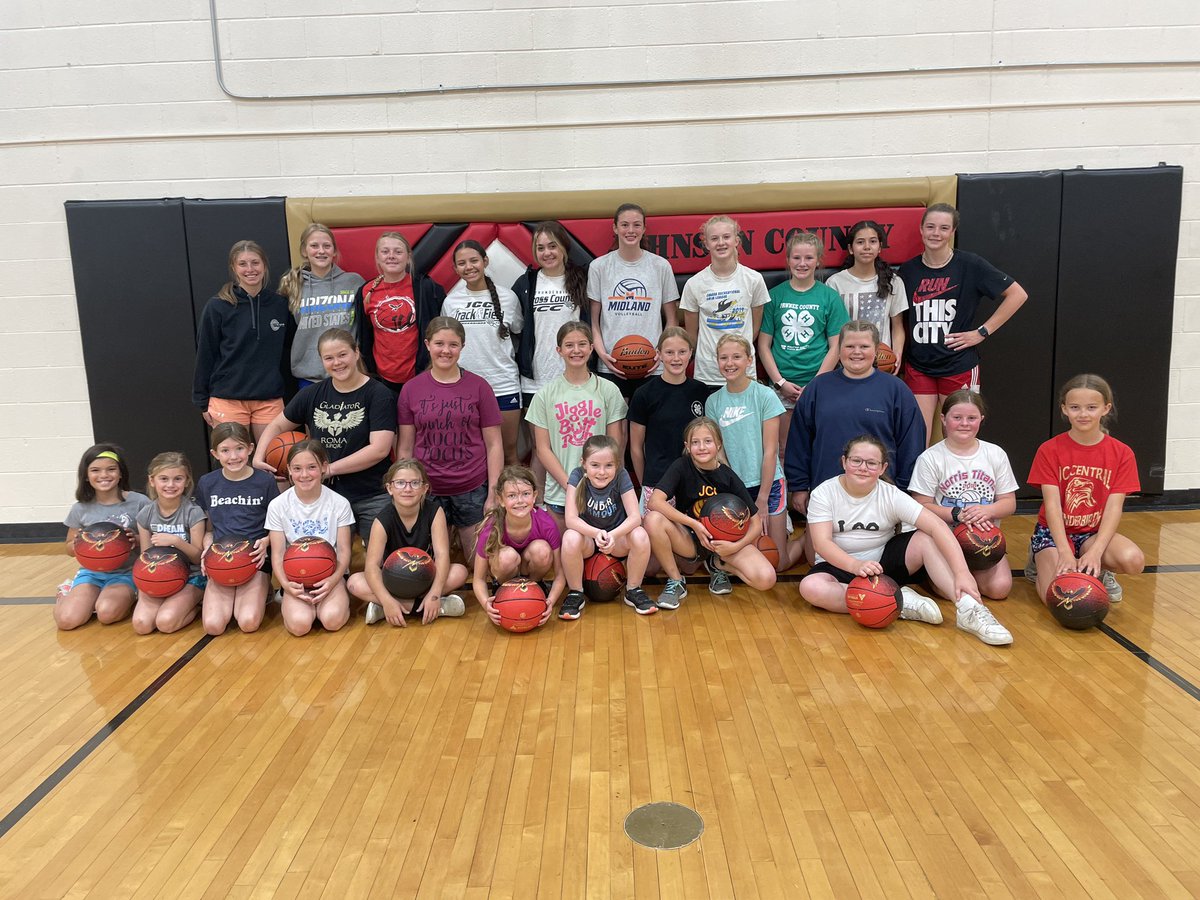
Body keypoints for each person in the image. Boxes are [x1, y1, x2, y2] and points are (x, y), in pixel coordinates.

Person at [799, 434, 1013, 645]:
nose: (863, 467)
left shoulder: (890, 494)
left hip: (883, 562)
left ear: (882, 468)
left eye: (872, 463)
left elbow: (937, 526)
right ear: (844, 462)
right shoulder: (824, 493)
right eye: (856, 460)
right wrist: (856, 565)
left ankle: (968, 608)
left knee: (925, 539)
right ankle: (897, 601)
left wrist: (962, 573)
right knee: (811, 588)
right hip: (840, 563)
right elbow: (822, 543)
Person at [899, 203, 1029, 442]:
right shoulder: (908, 271)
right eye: (930, 226)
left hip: (958, 364)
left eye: (943, 228)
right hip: (919, 366)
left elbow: (1018, 294)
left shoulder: (970, 265)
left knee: (959, 436)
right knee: (916, 437)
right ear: (921, 229)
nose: (936, 233)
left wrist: (982, 331)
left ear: (953, 232)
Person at [255, 328, 395, 546]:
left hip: (371, 494)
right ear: (321, 361)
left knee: (380, 562)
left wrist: (329, 469)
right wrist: (258, 456)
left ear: (356, 352)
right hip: (325, 497)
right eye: (329, 358)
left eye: (342, 355)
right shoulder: (312, 394)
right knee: (324, 562)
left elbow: (379, 449)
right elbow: (278, 424)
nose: (337, 363)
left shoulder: (378, 394)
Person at [785, 320, 925, 519]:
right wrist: (799, 486)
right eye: (849, 346)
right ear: (838, 350)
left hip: (881, 492)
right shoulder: (818, 387)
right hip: (826, 491)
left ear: (876, 350)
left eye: (864, 346)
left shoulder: (896, 390)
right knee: (822, 547)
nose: (856, 352)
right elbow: (799, 440)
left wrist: (902, 489)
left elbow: (912, 442)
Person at [1027, 374, 1144, 604]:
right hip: (1054, 533)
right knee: (1059, 597)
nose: (1083, 414)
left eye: (1091, 407)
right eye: (1075, 407)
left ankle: (1098, 568)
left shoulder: (1122, 453)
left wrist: (1096, 552)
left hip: (1092, 533)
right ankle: (1039, 561)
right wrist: (1063, 551)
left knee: (1134, 560)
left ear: (1106, 408)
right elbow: (1052, 505)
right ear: (1064, 409)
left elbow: (1113, 508)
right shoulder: (1049, 450)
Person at [396, 317, 504, 563]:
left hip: (471, 487)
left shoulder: (479, 387)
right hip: (428, 489)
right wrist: (407, 489)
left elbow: (494, 444)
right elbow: (405, 447)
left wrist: (493, 493)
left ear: (462, 346)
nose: (446, 350)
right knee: (432, 564)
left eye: (453, 344)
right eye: (439, 343)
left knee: (478, 564)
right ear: (427, 344)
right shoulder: (411, 389)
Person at [645, 417, 777, 607]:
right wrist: (694, 524)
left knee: (766, 579)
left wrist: (735, 546)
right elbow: (654, 501)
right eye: (695, 442)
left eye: (708, 441)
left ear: (718, 444)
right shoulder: (681, 466)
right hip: (691, 539)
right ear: (687, 446)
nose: (702, 447)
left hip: (725, 542)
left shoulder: (728, 476)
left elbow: (756, 523)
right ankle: (675, 580)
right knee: (653, 519)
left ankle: (717, 564)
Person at [705, 335, 804, 572]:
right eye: (724, 358)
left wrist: (761, 499)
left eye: (737, 357)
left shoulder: (764, 396)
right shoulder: (713, 401)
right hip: (735, 487)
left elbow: (771, 451)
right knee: (750, 551)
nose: (730, 363)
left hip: (768, 486)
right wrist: (733, 488)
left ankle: (806, 539)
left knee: (777, 563)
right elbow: (717, 453)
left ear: (749, 360)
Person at [909, 391, 1018, 600]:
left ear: (981, 420)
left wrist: (988, 510)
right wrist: (957, 513)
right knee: (954, 593)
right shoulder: (931, 458)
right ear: (943, 419)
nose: (964, 424)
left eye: (972, 418)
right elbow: (920, 504)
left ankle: (969, 571)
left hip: (985, 540)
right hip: (946, 539)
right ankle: (930, 572)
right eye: (957, 417)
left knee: (999, 589)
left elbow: (1009, 503)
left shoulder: (995, 454)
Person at [525, 321, 627, 530]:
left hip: (602, 492)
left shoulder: (608, 390)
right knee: (565, 556)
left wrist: (599, 483)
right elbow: (542, 449)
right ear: (559, 350)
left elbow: (615, 444)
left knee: (604, 558)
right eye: (569, 345)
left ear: (591, 348)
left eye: (582, 344)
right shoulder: (545, 395)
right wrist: (573, 486)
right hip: (561, 494)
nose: (576, 350)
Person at [348, 458, 470, 627]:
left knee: (460, 572)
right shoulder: (381, 520)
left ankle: (390, 609)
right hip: (393, 581)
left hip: (426, 578)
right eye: (400, 483)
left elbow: (442, 556)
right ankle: (429, 607)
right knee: (354, 583)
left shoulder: (435, 512)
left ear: (424, 488)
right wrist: (386, 599)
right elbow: (371, 566)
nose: (407, 489)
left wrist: (434, 594)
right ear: (389, 488)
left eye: (414, 483)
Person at [758, 231, 848, 455]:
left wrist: (815, 384)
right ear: (788, 260)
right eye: (796, 257)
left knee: (820, 447)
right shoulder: (774, 296)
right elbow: (763, 345)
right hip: (782, 388)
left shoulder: (829, 297)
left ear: (818, 260)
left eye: (809, 258)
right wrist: (780, 382)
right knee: (783, 449)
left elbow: (836, 346)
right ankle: (787, 491)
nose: (802, 263)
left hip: (819, 386)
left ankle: (814, 491)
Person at [193, 240, 293, 443]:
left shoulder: (279, 305)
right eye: (243, 264)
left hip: (269, 400)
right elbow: (205, 353)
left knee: (274, 465)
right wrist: (202, 400)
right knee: (235, 463)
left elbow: (292, 347)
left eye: (255, 263)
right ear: (233, 268)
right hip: (227, 400)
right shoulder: (218, 306)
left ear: (264, 266)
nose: (250, 269)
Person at [443, 240, 524, 465]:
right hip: (464, 388)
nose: (468, 267)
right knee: (471, 454)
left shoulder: (508, 298)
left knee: (508, 453)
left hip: (503, 385)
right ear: (455, 269)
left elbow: (519, 333)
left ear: (485, 261)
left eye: (474, 260)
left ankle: (514, 500)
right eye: (461, 263)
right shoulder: (451, 302)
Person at [588, 202, 680, 397]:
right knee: (614, 426)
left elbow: (672, 320)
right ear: (615, 228)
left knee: (650, 425)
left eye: (637, 225)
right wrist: (602, 354)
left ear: (644, 228)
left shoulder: (660, 266)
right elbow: (594, 320)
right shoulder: (599, 267)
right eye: (624, 225)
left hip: (651, 364)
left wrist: (661, 352)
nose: (631, 230)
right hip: (611, 363)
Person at [559, 435, 653, 620]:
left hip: (615, 541)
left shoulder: (622, 476)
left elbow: (635, 517)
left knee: (640, 535)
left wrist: (612, 535)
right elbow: (570, 519)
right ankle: (575, 593)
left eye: (608, 465)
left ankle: (633, 590)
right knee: (570, 536)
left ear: (617, 465)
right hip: (588, 540)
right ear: (584, 463)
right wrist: (596, 533)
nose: (602, 472)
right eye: (595, 465)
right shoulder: (577, 476)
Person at [57, 444, 150, 630]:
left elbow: (157, 537)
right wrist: (79, 544)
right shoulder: (80, 508)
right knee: (67, 621)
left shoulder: (140, 502)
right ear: (86, 475)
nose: (104, 475)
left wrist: (138, 540)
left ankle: (129, 595)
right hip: (91, 573)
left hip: (126, 572)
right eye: (95, 470)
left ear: (121, 473)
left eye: (111, 469)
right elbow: (68, 548)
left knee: (106, 614)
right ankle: (66, 593)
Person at [196, 423, 278, 635]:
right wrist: (207, 548)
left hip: (255, 559)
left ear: (250, 448)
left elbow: (278, 525)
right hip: (221, 560)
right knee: (213, 627)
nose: (233, 456)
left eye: (239, 448)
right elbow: (208, 528)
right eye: (225, 450)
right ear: (215, 453)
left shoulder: (265, 481)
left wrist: (267, 541)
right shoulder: (207, 483)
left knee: (248, 622)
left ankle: (264, 589)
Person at [266, 440, 354, 635]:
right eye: (297, 468)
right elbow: (278, 552)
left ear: (323, 467)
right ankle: (289, 602)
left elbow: (344, 550)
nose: (304, 475)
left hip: (331, 574)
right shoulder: (278, 505)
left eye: (311, 467)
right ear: (288, 469)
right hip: (295, 578)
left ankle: (339, 598)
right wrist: (287, 586)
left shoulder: (339, 503)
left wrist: (333, 580)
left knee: (332, 621)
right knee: (300, 625)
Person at [680, 215, 770, 389]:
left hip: (744, 373)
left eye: (726, 237)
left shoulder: (754, 279)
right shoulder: (694, 284)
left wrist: (736, 354)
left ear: (736, 240)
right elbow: (692, 335)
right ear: (706, 244)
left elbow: (755, 327)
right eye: (714, 238)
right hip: (708, 374)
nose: (721, 243)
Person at [628, 327, 710, 513]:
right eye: (669, 352)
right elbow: (635, 447)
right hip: (657, 483)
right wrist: (645, 483)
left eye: (682, 352)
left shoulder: (700, 391)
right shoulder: (644, 394)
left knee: (693, 537)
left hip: (695, 480)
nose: (676, 358)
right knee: (657, 536)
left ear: (691, 353)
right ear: (659, 354)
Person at [354, 231, 446, 395]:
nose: (391, 256)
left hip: (422, 375)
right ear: (377, 257)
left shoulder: (425, 287)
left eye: (398, 251)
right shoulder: (366, 291)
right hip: (383, 379)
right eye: (385, 251)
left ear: (408, 256)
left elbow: (442, 331)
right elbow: (364, 337)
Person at [472, 466, 563, 626]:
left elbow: (560, 575)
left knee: (542, 550)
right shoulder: (491, 527)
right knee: (507, 556)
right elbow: (478, 579)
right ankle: (504, 591)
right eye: (512, 496)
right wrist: (486, 604)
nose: (520, 501)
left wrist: (551, 601)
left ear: (535, 496)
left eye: (526, 494)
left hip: (531, 568)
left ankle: (535, 587)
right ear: (501, 499)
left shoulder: (546, 523)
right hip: (507, 568)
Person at [278, 223, 365, 388]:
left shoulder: (354, 282)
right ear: (304, 251)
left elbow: (365, 328)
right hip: (309, 378)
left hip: (348, 373)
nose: (321, 251)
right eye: (314, 246)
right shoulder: (292, 284)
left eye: (327, 246)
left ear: (334, 251)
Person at [133, 452, 207, 635]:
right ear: (152, 481)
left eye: (178, 479)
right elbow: (145, 556)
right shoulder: (145, 514)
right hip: (158, 576)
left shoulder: (194, 513)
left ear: (187, 481)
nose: (170, 485)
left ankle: (197, 605)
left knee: (166, 623)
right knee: (142, 625)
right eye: (164, 479)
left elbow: (198, 557)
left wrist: (175, 541)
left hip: (191, 576)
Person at [824, 219, 908, 364]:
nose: (867, 247)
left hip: (881, 359)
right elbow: (830, 329)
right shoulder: (835, 282)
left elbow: (897, 327)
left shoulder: (893, 282)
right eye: (860, 242)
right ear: (851, 249)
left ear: (880, 247)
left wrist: (897, 354)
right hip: (847, 360)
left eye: (873, 241)